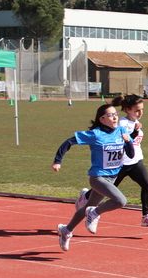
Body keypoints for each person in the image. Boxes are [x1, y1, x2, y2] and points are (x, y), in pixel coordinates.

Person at [53, 104, 135, 251]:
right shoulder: (95, 134)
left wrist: (128, 141)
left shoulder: (122, 131)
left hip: (112, 177)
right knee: (120, 201)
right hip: (98, 178)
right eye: (110, 115)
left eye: (115, 113)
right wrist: (58, 161)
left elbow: (131, 154)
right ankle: (95, 212)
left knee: (86, 208)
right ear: (102, 119)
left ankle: (66, 230)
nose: (115, 116)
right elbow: (68, 142)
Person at [75, 94, 148, 227]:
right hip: (120, 164)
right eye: (137, 110)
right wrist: (134, 133)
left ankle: (146, 216)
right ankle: (85, 197)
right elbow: (122, 139)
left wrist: (136, 131)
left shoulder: (135, 123)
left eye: (142, 109)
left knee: (147, 184)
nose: (140, 113)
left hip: (135, 161)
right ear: (127, 109)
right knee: (105, 191)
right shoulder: (121, 123)